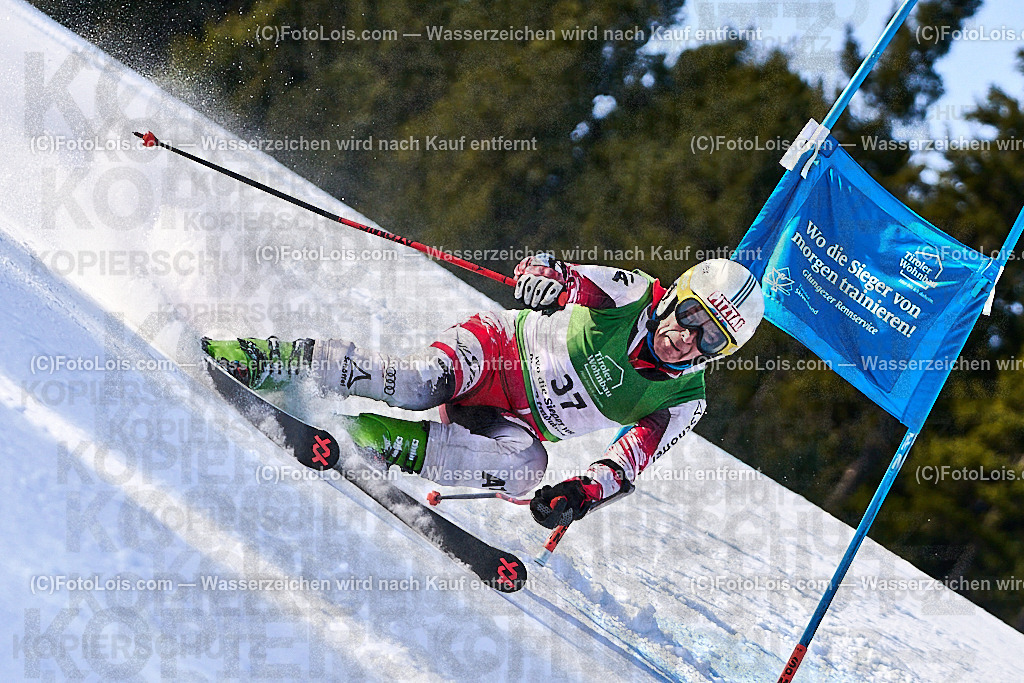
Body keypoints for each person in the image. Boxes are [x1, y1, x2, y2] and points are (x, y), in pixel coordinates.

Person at [202, 256, 764, 529]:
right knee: (419, 382)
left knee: (525, 469)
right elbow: (559, 273)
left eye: (710, 338)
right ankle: (267, 360)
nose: (686, 338)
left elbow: (625, 463)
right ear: (677, 297)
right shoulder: (632, 293)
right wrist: (543, 277)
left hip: (520, 422)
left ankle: (362, 439)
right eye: (692, 315)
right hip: (495, 351)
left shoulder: (685, 400)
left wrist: (580, 494)